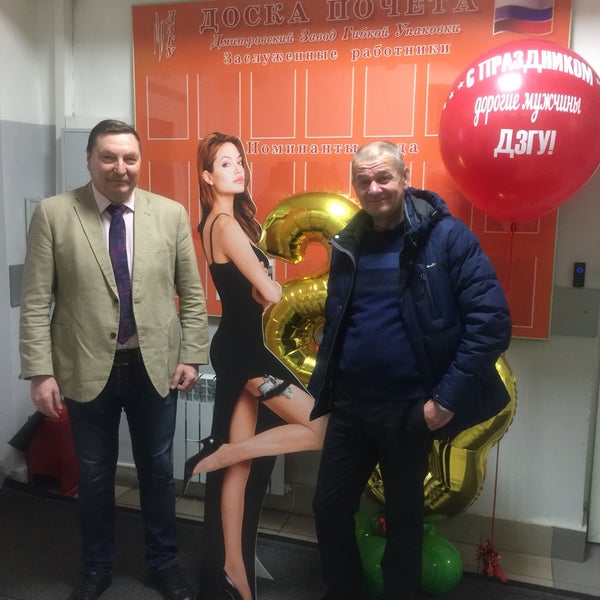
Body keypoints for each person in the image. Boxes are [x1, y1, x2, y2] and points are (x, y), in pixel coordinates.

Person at [308, 140, 512, 600]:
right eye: (364, 180)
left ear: (404, 177)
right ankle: (343, 591)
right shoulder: (349, 242)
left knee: (404, 520)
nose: (374, 188)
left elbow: (491, 322)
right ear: (354, 186)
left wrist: (445, 402)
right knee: (328, 506)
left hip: (410, 409)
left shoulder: (448, 237)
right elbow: (342, 318)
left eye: (384, 177)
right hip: (351, 405)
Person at [19, 119, 209, 600]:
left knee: (157, 471)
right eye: (108, 157)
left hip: (154, 365)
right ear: (89, 160)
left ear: (140, 162)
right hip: (84, 366)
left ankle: (163, 563)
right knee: (96, 474)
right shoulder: (54, 214)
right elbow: (36, 300)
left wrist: (192, 354)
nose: (120, 168)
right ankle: (96, 568)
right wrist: (40, 372)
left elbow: (191, 293)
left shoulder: (169, 214)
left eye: (129, 158)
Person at [187, 132, 326, 600]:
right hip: (247, 353)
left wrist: (260, 282)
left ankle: (234, 572)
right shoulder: (225, 225)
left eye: (240, 161)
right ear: (208, 176)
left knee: (241, 467)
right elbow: (268, 293)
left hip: (238, 347)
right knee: (321, 428)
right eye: (226, 163)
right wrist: (270, 283)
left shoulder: (214, 223)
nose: (238, 169)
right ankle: (221, 454)